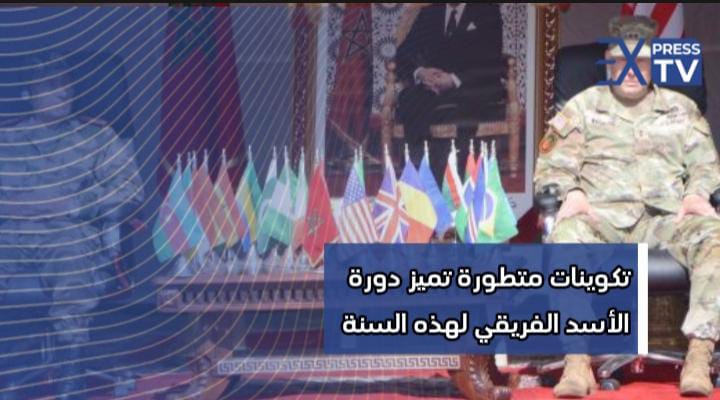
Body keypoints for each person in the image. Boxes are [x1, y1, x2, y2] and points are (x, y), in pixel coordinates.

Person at [534, 15, 720, 398]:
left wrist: (696, 193)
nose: (633, 70)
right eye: (623, 61)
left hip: (667, 219)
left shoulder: (681, 109)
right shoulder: (582, 108)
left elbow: (706, 166)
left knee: (714, 236)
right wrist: (572, 193)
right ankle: (577, 362)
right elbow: (551, 169)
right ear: (609, 62)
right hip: (599, 217)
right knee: (566, 237)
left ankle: (699, 357)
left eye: (642, 62)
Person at [0, 54, 144, 399]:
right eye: (51, 86)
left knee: (73, 257)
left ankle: (70, 371)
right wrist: (16, 206)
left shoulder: (96, 136)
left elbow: (131, 192)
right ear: (29, 93)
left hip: (70, 230)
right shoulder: (6, 138)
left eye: (66, 84)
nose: (63, 92)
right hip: (10, 231)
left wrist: (73, 204)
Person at [395, 3, 506, 182]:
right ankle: (419, 174)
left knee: (461, 110)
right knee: (410, 101)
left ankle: (457, 178)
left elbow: (491, 59)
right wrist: (421, 72)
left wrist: (453, 79)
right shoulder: (430, 13)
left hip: (470, 86)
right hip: (431, 87)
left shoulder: (486, 10)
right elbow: (403, 54)